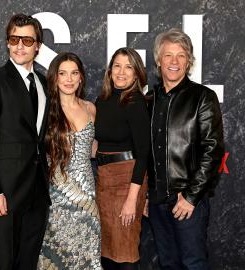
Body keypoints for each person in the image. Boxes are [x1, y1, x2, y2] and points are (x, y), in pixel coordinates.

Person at [0, 14, 50, 269]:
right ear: (7, 42)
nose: (20, 46)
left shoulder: (43, 82)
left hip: (37, 192)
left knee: (27, 262)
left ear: (38, 46)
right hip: (5, 192)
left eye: (27, 40)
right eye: (14, 39)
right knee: (3, 263)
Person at [146, 28, 224, 269]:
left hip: (188, 200)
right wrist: (148, 195)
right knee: (168, 264)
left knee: (193, 264)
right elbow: (144, 151)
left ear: (189, 61)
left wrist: (190, 197)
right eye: (168, 55)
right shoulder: (149, 99)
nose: (174, 62)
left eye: (181, 55)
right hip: (158, 202)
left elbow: (212, 151)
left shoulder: (203, 97)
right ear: (159, 60)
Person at [37, 52, 101, 269]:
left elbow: (93, 148)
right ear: (54, 78)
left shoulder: (90, 108)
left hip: (86, 197)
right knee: (56, 257)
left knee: (86, 256)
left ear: (81, 77)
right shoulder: (44, 110)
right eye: (63, 73)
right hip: (56, 198)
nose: (69, 79)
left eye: (74, 73)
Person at [94, 47, 150, 270]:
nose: (121, 72)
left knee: (125, 253)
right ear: (110, 71)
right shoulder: (103, 100)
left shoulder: (135, 103)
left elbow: (143, 154)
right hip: (103, 180)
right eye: (117, 65)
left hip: (127, 180)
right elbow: (99, 143)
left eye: (128, 67)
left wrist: (132, 200)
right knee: (107, 252)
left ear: (136, 74)